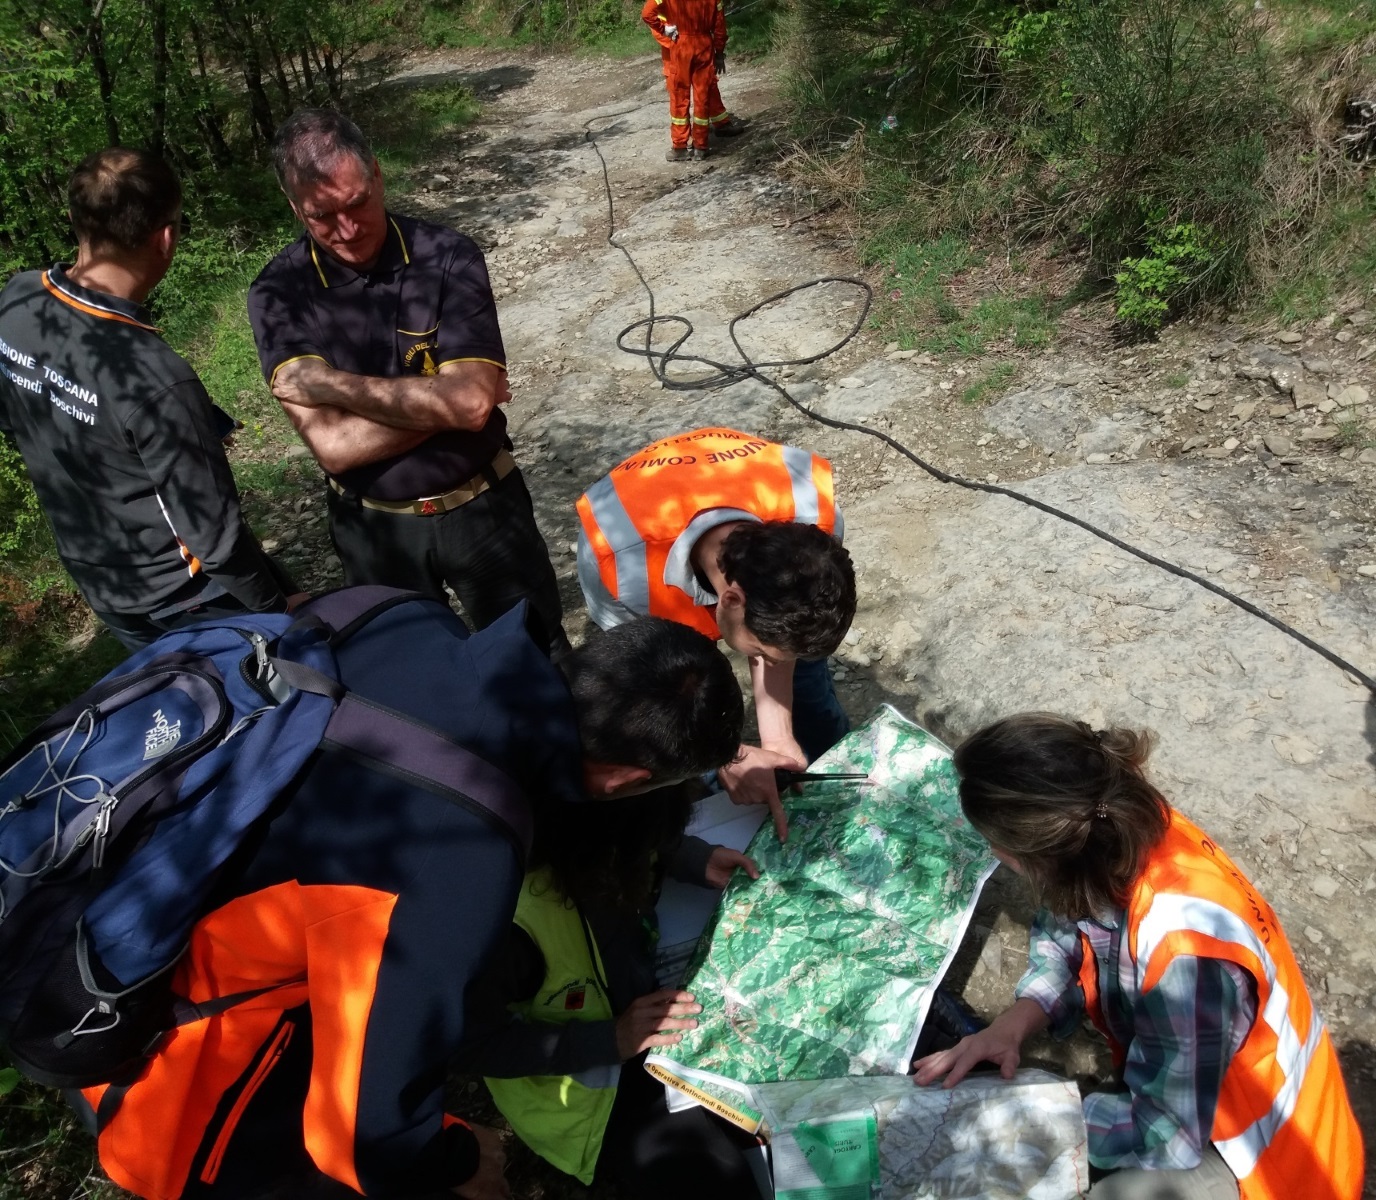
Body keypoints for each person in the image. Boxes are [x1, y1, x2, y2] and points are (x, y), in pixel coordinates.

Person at [70, 598, 745, 1200]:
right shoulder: (454, 862)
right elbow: (361, 1136)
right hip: (185, 1089)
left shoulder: (396, 612)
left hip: (104, 906)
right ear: (626, 780)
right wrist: (454, 1159)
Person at [914, 713, 1364, 1200]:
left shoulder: (1183, 962)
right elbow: (1069, 933)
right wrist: (1013, 1025)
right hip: (1207, 1099)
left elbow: (1165, 1138)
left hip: (1275, 1165)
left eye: (993, 846)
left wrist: (1031, 1117)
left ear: (1034, 857)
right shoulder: (1109, 831)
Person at [247, 108, 568, 654]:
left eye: (356, 203)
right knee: (416, 682)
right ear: (292, 203)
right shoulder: (277, 294)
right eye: (321, 216)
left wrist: (328, 384)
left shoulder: (448, 257)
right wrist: (453, 403)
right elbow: (334, 446)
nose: (346, 230)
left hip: (484, 509)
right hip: (375, 532)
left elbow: (466, 405)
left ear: (377, 173)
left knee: (541, 658)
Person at [0, 148, 289, 650]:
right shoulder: (155, 378)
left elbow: (15, 418)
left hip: (105, 585)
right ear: (167, 236)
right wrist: (278, 613)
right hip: (187, 594)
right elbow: (216, 541)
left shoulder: (18, 299)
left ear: (74, 220)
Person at [458, 782, 767, 1198]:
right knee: (724, 1182)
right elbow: (468, 1045)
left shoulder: (609, 828)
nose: (647, 859)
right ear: (596, 851)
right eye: (638, 850)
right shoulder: (511, 931)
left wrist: (693, 857)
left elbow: (644, 831)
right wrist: (612, 1038)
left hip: (643, 1010)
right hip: (592, 1087)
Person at [576, 426, 856, 840]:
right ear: (730, 601)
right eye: (766, 651)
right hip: (642, 556)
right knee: (684, 715)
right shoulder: (618, 568)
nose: (780, 661)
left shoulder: (812, 515)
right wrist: (727, 758)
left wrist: (778, 740)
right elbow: (652, 695)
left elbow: (780, 644)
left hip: (746, 568)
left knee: (806, 680)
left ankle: (825, 756)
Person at [642, 0, 740, 161]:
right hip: (704, 45)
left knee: (679, 94)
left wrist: (664, 30)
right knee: (703, 94)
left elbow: (647, 13)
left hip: (679, 45)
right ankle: (700, 147)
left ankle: (680, 147)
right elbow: (720, 25)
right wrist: (719, 52)